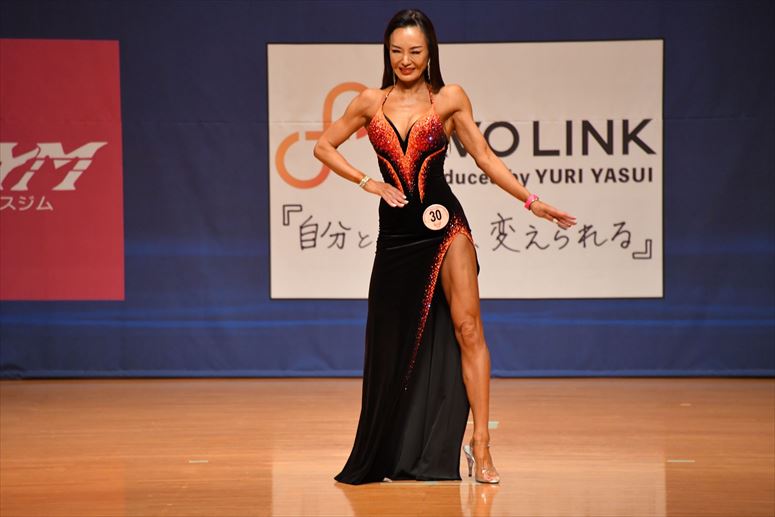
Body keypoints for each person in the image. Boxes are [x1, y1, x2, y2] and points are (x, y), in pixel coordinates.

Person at [313, 9, 576, 485]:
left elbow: (485, 156)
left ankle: (481, 444)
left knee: (468, 328)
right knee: (390, 344)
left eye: (415, 51)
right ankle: (396, 446)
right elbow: (323, 147)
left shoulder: (449, 99)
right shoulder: (369, 102)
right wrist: (368, 182)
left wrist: (531, 201)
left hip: (446, 227)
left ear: (430, 52)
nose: (406, 60)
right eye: (397, 51)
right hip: (397, 237)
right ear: (387, 53)